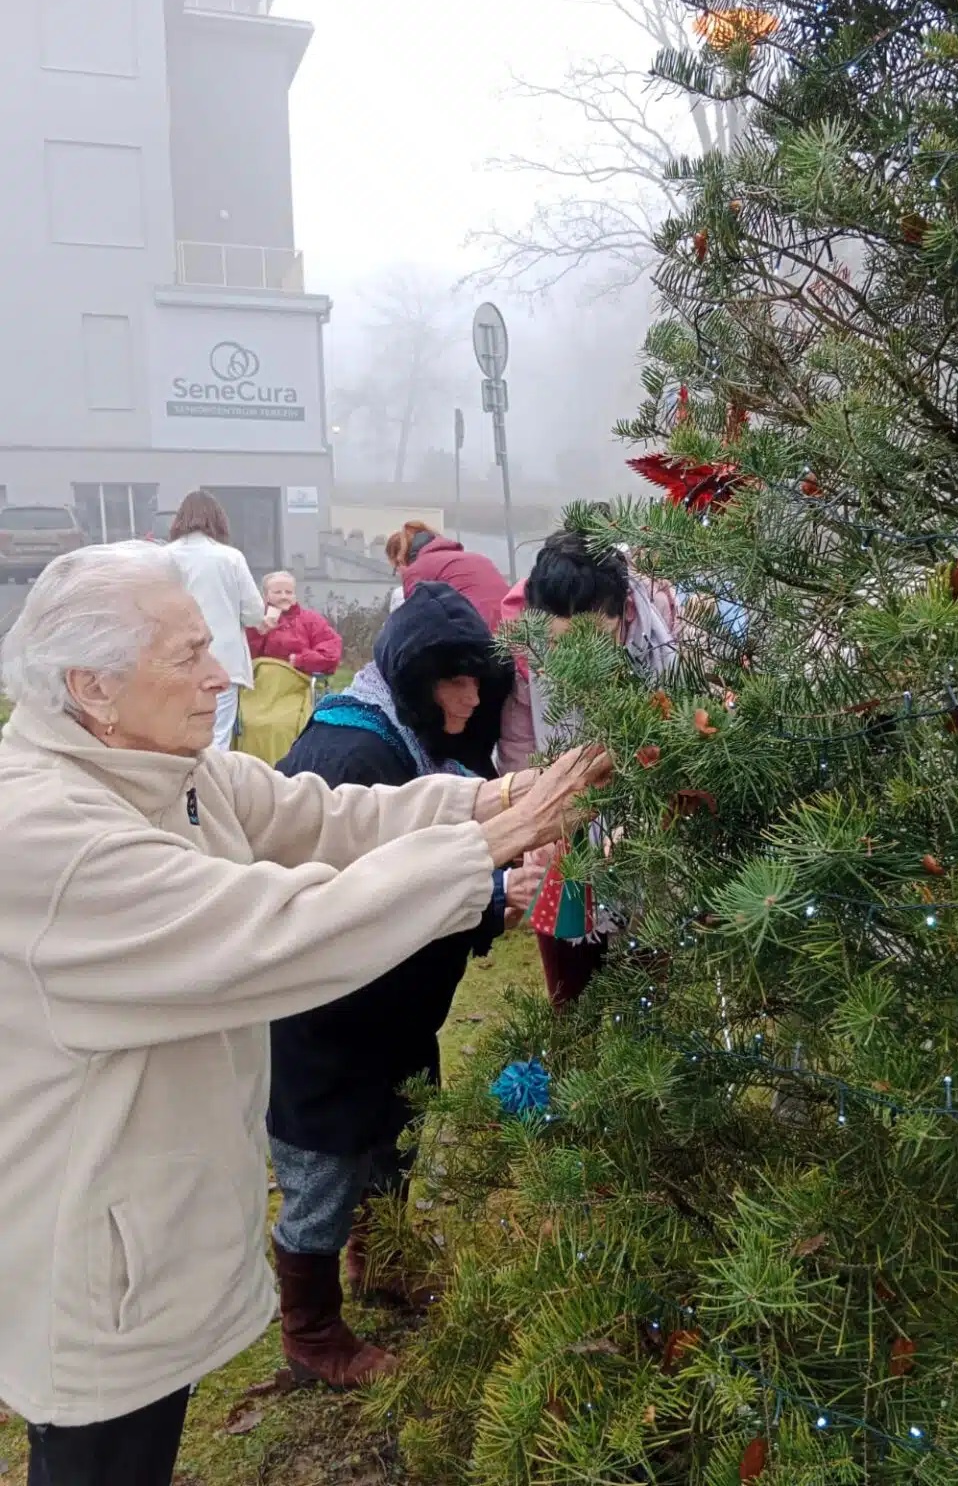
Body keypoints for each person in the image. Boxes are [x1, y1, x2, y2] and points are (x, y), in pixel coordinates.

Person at [0, 540, 609, 1486]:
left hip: (150, 1227)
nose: (225, 676)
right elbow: (277, 929)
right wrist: (486, 847)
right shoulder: (51, 837)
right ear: (93, 685)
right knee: (99, 1458)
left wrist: (490, 795)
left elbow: (322, 816)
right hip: (89, 1253)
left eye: (219, 645)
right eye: (189, 655)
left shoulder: (170, 768)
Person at [268, 582, 535, 1386]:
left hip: (392, 1012)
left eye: (476, 681)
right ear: (412, 680)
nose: (470, 698)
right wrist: (488, 897)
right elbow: (373, 899)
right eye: (452, 683)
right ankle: (311, 1333)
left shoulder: (415, 744)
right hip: (331, 1018)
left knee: (395, 1137)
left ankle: (381, 1264)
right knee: (325, 1171)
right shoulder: (354, 756)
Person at [499, 531, 678, 1006]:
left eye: (595, 641)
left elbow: (684, 739)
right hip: (562, 823)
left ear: (624, 618)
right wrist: (535, 824)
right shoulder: (524, 653)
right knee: (571, 987)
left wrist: (646, 818)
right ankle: (572, 1062)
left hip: (647, 828)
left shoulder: (663, 645)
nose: (579, 663)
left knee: (648, 981)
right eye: (560, 646)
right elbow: (520, 746)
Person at [167, 490, 266, 750]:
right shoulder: (230, 558)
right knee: (217, 736)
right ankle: (210, 789)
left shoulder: (162, 558)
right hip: (223, 660)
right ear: (219, 520)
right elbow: (255, 613)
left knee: (175, 730)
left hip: (174, 658)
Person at [386, 519, 508, 631]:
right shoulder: (478, 559)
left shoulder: (416, 570)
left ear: (400, 560)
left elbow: (412, 626)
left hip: (477, 641)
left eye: (397, 569)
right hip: (514, 638)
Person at [245, 571, 343, 676]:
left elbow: (331, 655)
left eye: (289, 592)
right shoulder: (252, 620)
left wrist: (299, 660)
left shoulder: (311, 620)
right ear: (266, 596)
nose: (284, 597)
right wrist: (257, 633)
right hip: (260, 683)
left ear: (295, 595)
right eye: (277, 592)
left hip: (299, 684)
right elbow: (240, 657)